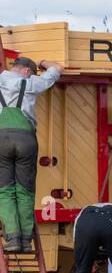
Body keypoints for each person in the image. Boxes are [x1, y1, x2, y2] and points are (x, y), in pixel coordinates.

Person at [0, 56, 62, 253]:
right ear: (27, 71)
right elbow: (56, 69)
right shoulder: (31, 82)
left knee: (4, 191)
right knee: (25, 190)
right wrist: (45, 62)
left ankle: (12, 238)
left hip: (1, 139)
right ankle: (26, 241)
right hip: (26, 139)